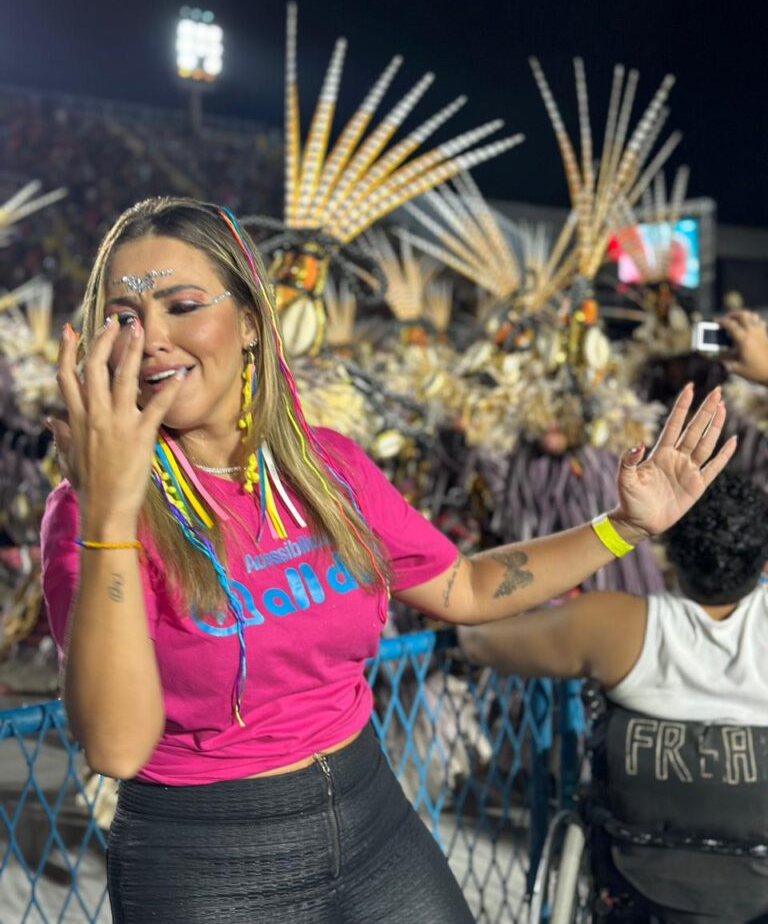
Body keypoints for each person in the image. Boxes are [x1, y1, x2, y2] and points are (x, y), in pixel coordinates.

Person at [41, 196, 736, 924]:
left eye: (182, 305)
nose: (150, 336)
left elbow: (464, 585)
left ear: (249, 322)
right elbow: (116, 748)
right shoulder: (89, 511)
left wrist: (622, 526)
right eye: (123, 315)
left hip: (373, 821)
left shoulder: (325, 469)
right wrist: (113, 512)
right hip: (204, 863)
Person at [458, 471, 768, 923]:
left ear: (667, 551)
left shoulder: (613, 627)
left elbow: (474, 633)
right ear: (762, 560)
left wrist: (615, 529)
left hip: (639, 887)